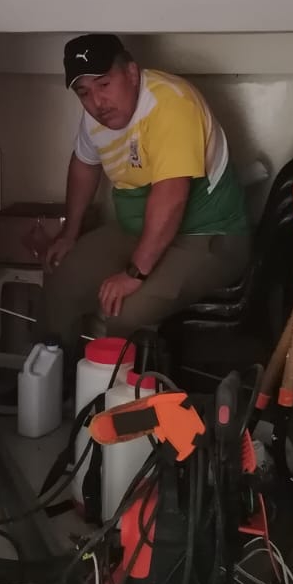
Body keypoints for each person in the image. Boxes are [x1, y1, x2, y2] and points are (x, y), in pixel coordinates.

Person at [39, 33, 252, 352]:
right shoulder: (99, 115)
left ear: (132, 73)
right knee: (63, 281)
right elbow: (85, 164)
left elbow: (172, 197)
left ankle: (114, 384)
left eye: (104, 84)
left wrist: (134, 274)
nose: (97, 102)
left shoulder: (172, 104)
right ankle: (54, 377)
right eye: (84, 92)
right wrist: (70, 232)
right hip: (138, 230)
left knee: (125, 311)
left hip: (207, 236)